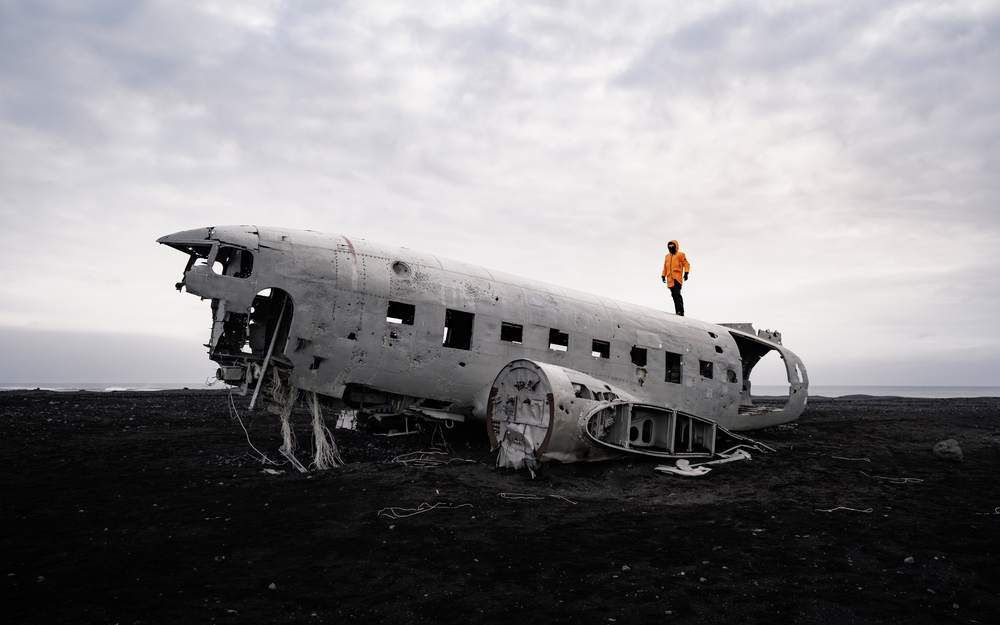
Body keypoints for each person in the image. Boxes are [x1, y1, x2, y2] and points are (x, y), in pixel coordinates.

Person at [661, 239, 690, 316]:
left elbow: (686, 264)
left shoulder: (680, 255)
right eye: (669, 245)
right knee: (673, 294)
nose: (671, 247)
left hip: (677, 278)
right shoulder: (667, 256)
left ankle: (680, 311)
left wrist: (686, 273)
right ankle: (677, 311)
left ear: (676, 246)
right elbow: (665, 267)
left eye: (672, 245)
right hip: (670, 278)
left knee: (677, 294)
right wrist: (663, 275)